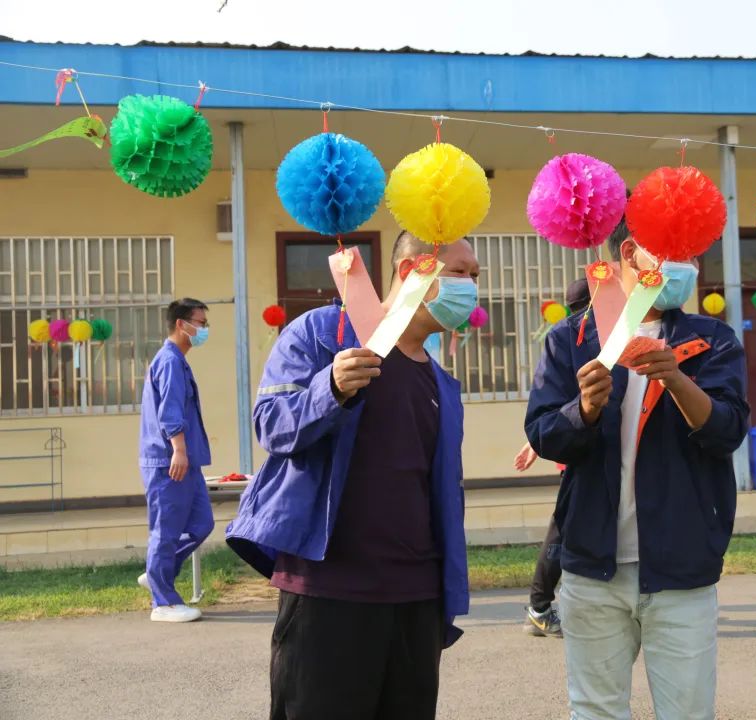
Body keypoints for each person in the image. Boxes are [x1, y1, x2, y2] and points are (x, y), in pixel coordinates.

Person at [226, 232, 478, 720]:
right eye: (458, 273)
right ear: (411, 271)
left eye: (474, 276)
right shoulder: (323, 333)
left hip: (417, 601)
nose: (469, 287)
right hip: (328, 592)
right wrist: (331, 388)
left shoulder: (442, 383)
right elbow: (271, 425)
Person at [525, 217, 750, 720]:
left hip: (682, 567)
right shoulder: (572, 339)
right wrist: (584, 410)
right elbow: (543, 434)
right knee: (596, 711)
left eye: (693, 254)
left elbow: (728, 432)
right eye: (674, 251)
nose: (688, 266)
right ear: (630, 253)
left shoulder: (712, 339)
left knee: (688, 712)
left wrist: (677, 380)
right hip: (592, 568)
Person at [520, 277, 594, 638]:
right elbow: (553, 410)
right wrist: (536, 444)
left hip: (573, 450)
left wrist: (533, 446)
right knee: (562, 531)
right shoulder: (573, 340)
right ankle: (538, 606)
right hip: (574, 454)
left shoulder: (581, 339)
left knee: (567, 528)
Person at [137, 298, 214, 623]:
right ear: (182, 324)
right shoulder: (169, 361)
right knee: (166, 530)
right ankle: (164, 602)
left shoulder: (178, 360)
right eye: (201, 323)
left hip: (187, 461)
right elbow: (170, 410)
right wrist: (179, 449)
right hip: (170, 461)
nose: (205, 330)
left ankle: (157, 571)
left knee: (201, 523)